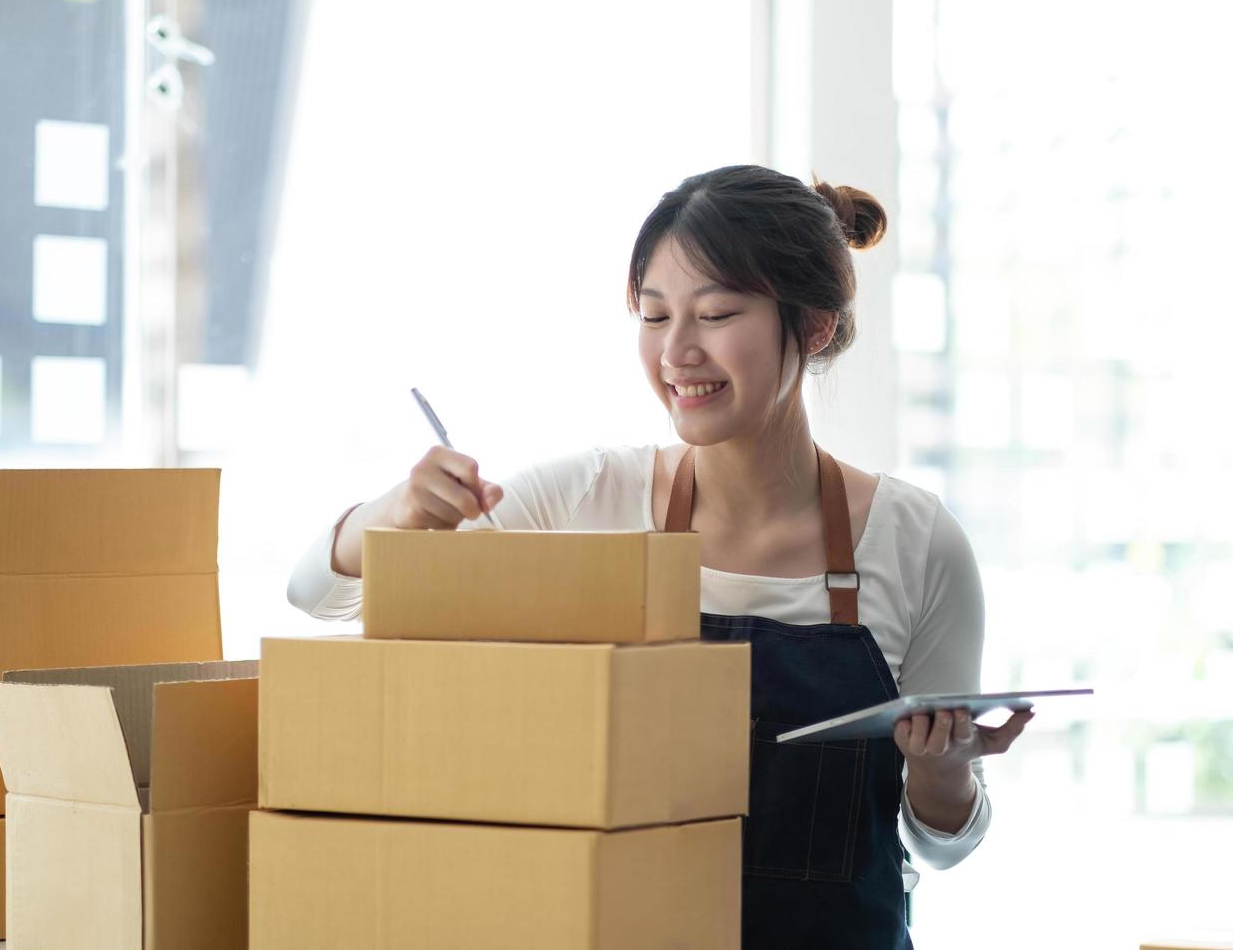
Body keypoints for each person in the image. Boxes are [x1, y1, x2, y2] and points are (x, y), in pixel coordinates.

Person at [286, 164, 1032, 948]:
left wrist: (943, 772)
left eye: (714, 314)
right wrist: (399, 512)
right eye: (653, 315)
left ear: (812, 325)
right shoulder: (585, 502)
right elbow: (317, 594)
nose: (677, 352)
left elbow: (944, 842)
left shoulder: (916, 544)